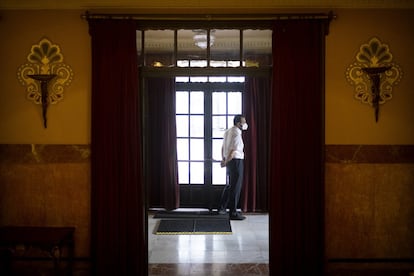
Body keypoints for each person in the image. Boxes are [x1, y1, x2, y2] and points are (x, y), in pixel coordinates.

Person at [218, 115, 248, 220]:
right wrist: (225, 161)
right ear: (238, 123)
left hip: (230, 161)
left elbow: (223, 147)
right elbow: (232, 150)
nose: (245, 124)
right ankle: (233, 213)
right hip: (235, 161)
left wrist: (223, 159)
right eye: (244, 122)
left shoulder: (228, 131)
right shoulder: (236, 133)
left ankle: (222, 208)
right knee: (235, 187)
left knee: (230, 185)